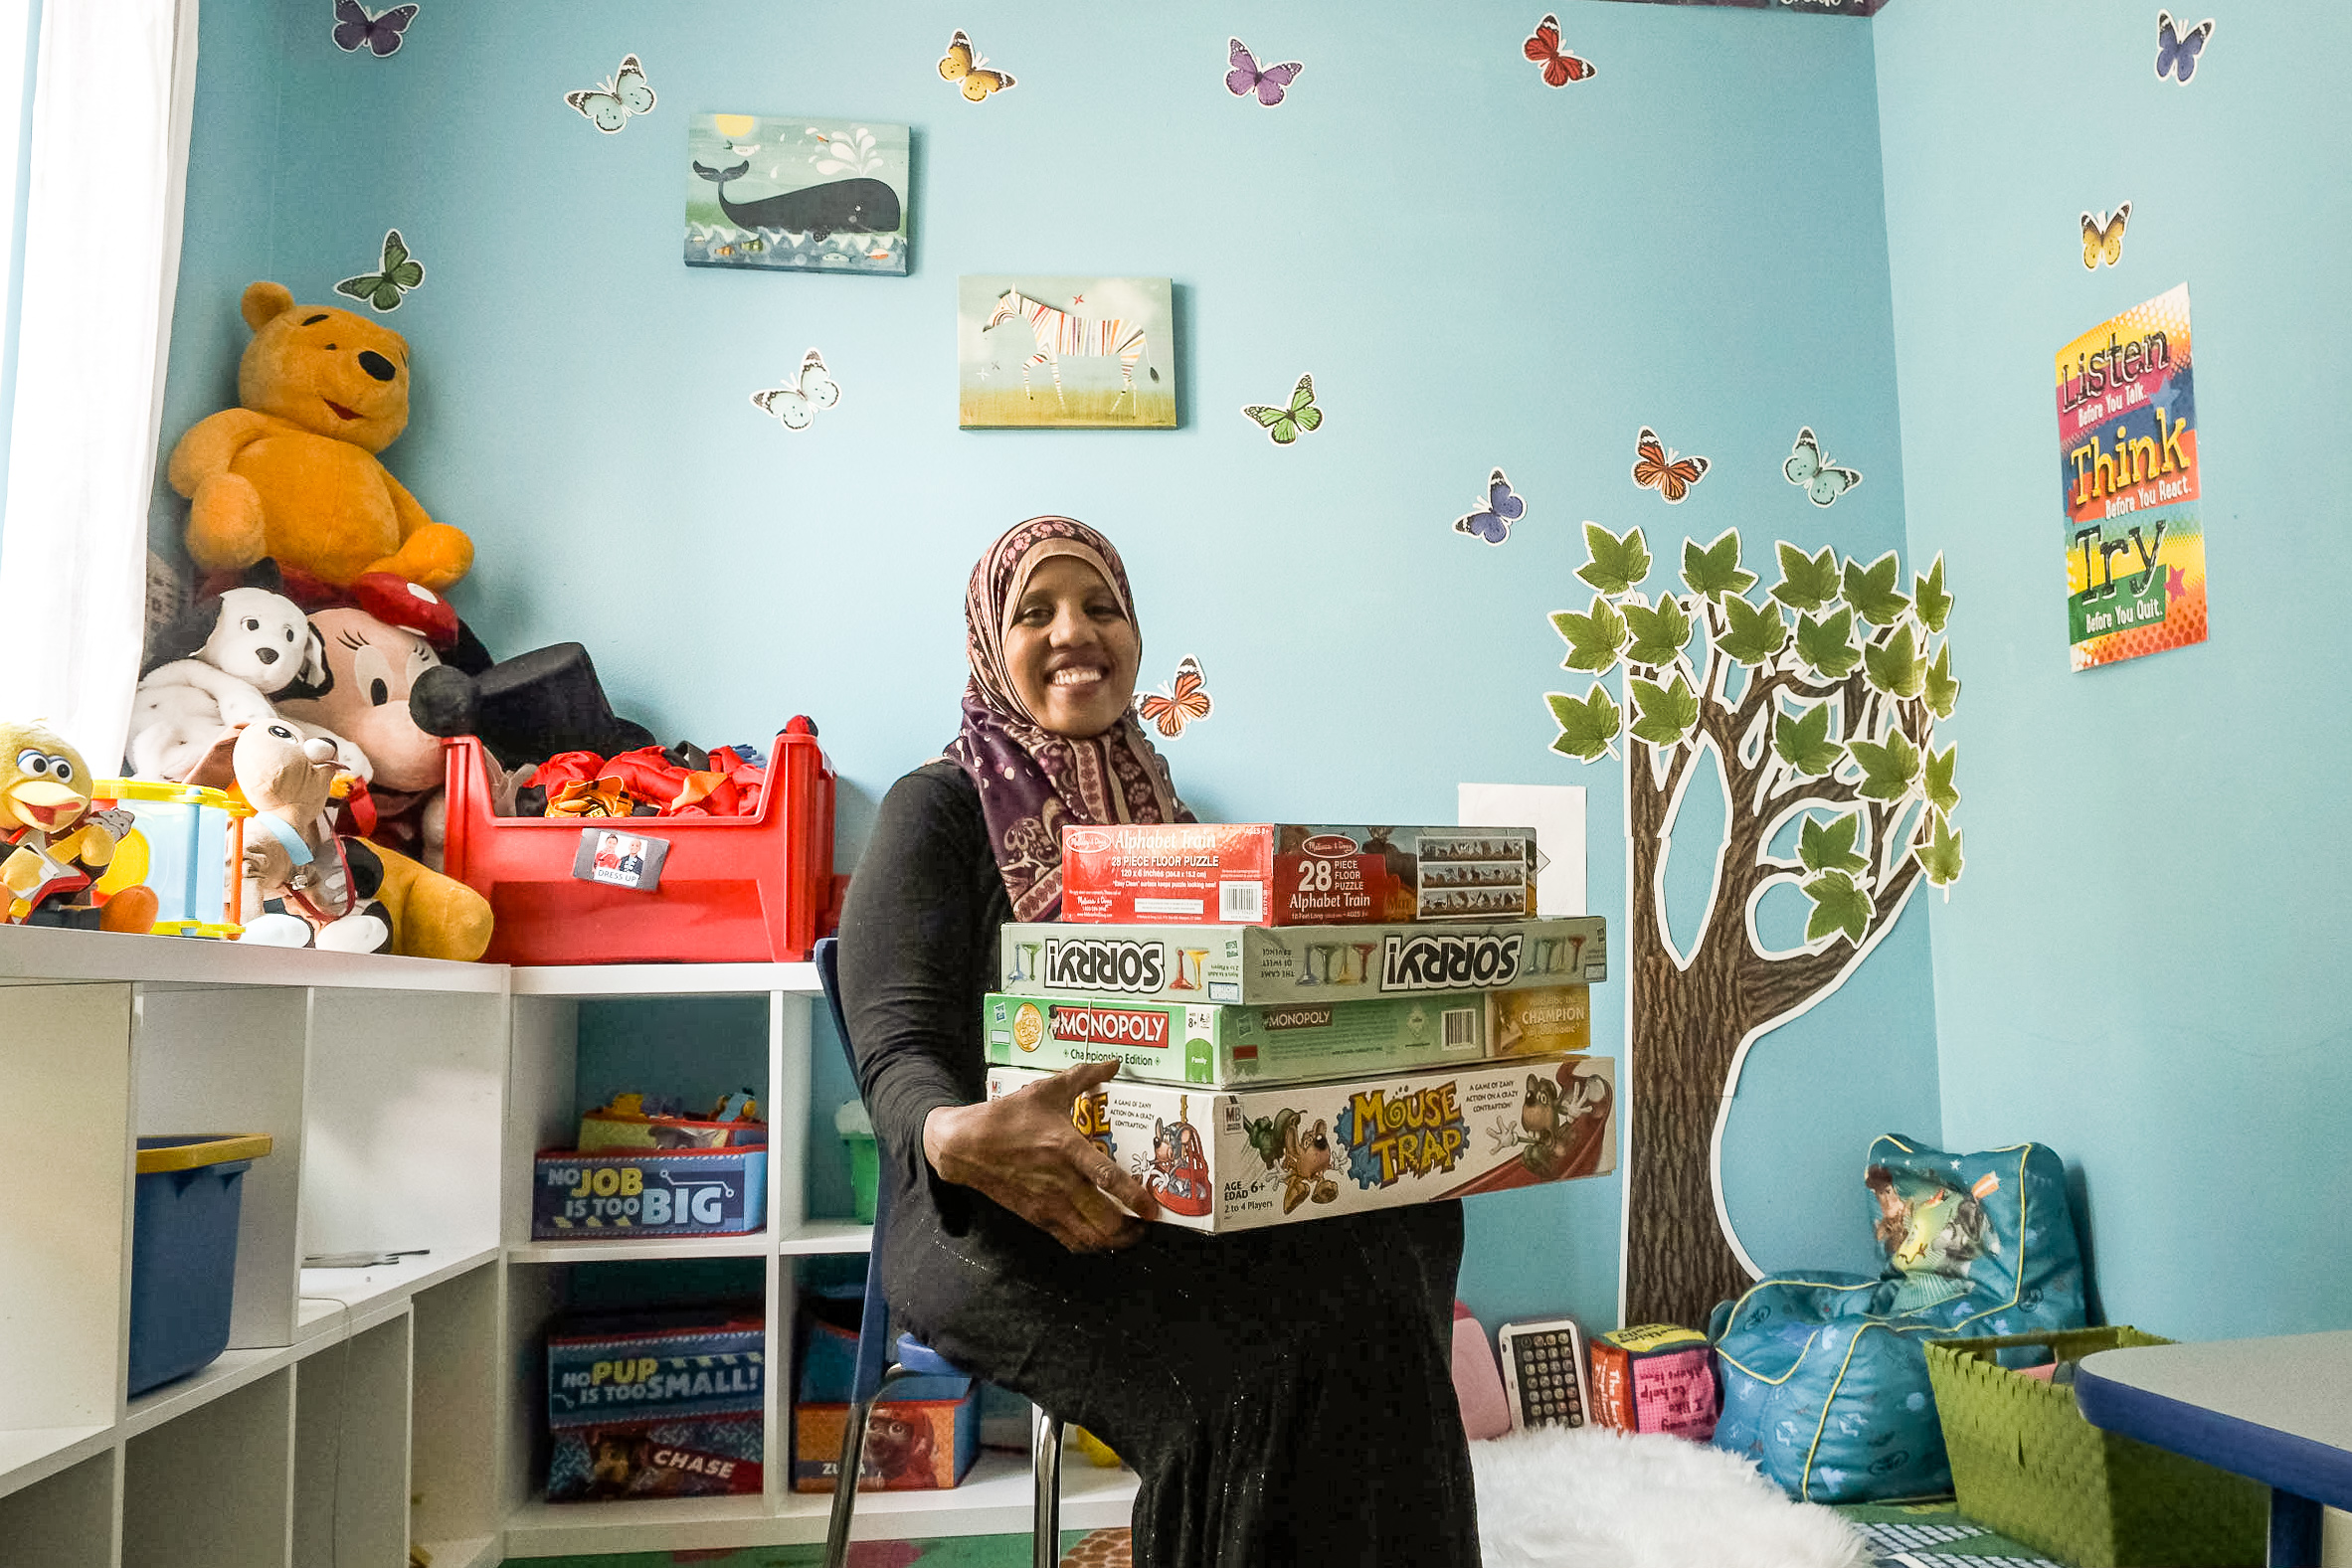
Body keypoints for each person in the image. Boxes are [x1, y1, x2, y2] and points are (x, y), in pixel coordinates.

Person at [836, 516, 1478, 1567]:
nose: (1072, 631)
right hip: (987, 1213)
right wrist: (952, 1134)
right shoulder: (937, 809)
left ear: (1135, 633)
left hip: (1169, 1183)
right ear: (986, 644)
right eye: (1033, 610)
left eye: (1101, 605)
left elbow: (1223, 1037)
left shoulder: (1173, 825)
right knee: (1269, 1364)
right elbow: (896, 1049)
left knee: (1389, 1252)